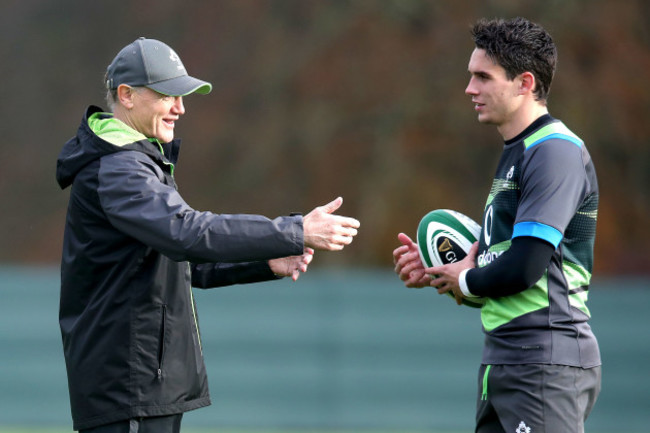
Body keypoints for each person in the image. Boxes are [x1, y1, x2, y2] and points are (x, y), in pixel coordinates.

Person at [56, 37, 360, 433]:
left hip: (139, 385)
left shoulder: (133, 162)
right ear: (126, 96)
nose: (180, 108)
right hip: (128, 387)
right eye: (168, 95)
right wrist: (294, 230)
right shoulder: (120, 169)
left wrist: (266, 261)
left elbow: (179, 261)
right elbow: (190, 234)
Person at [393, 17, 600, 433]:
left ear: (524, 83)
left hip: (545, 360)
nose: (470, 89)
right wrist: (443, 271)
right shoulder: (517, 152)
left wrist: (466, 279)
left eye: (483, 77)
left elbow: (525, 267)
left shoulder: (553, 152)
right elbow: (493, 265)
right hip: (507, 359)